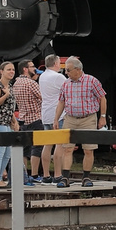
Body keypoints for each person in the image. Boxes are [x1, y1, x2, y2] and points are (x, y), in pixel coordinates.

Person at [53, 56, 105, 185]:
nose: (66, 73)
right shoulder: (65, 83)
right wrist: (56, 119)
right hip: (70, 118)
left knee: (88, 149)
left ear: (78, 69)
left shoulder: (92, 81)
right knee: (67, 148)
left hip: (88, 118)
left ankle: (86, 177)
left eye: (68, 70)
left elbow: (102, 98)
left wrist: (102, 116)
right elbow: (61, 102)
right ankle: (65, 177)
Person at [0, 62, 22, 188]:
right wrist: (6, 94)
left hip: (7, 122)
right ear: (1, 71)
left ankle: (0, 177)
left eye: (13, 69)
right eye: (8, 69)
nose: (11, 72)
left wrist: (15, 120)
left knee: (7, 153)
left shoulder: (10, 86)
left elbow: (9, 107)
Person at [13, 60, 45, 182]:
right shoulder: (31, 84)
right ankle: (35, 174)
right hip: (35, 118)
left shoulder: (16, 82)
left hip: (23, 118)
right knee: (36, 148)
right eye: (32, 67)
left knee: (25, 150)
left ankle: (24, 175)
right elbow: (43, 97)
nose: (35, 69)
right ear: (25, 69)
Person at [38, 54, 64, 182]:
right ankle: (58, 174)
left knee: (47, 145)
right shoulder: (58, 77)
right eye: (59, 62)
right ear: (55, 64)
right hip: (58, 114)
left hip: (46, 113)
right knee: (60, 144)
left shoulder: (42, 76)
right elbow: (67, 89)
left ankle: (46, 175)